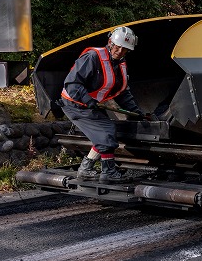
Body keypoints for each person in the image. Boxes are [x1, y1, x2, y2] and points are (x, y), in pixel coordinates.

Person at [59, 26, 145, 183]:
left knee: (104, 133)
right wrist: (87, 100)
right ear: (110, 43)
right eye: (117, 47)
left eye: (124, 49)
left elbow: (122, 92)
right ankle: (108, 172)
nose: (120, 51)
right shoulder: (92, 57)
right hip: (75, 103)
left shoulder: (120, 64)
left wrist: (136, 112)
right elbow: (72, 83)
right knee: (106, 131)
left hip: (91, 104)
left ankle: (86, 168)